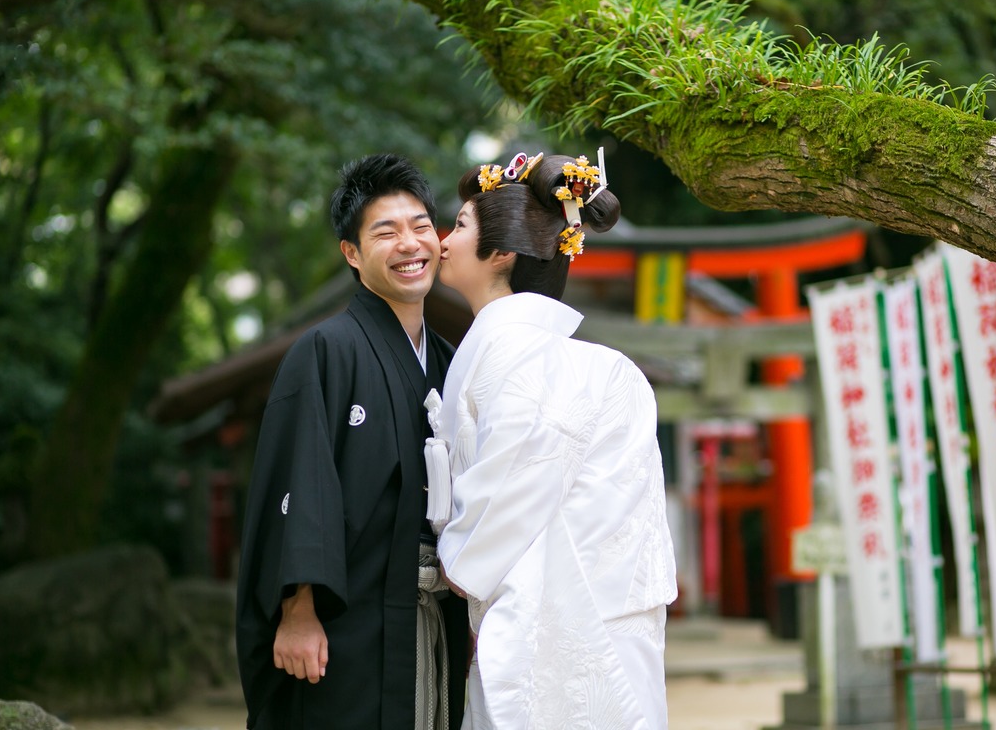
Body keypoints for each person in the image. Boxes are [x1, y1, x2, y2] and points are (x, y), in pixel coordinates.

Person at [426, 151, 678, 729]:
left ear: (502, 252)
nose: (442, 240)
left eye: (460, 226)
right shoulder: (594, 366)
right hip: (601, 609)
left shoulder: (521, 359)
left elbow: (515, 479)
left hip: (554, 620)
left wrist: (455, 562)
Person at [235, 153, 468, 730]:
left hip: (432, 611)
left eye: (420, 227)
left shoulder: (451, 360)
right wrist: (298, 611)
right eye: (385, 232)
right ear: (352, 254)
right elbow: (299, 486)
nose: (410, 244)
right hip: (348, 617)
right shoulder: (325, 352)